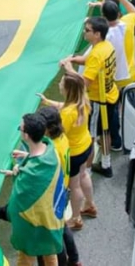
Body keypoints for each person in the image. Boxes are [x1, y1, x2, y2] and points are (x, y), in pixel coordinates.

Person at [4, 112, 65, 266]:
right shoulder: (52, 152)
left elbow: (18, 198)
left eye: (21, 129)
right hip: (50, 217)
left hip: (32, 222)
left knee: (26, 255)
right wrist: (26, 157)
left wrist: (17, 170)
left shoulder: (30, 172)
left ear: (26, 136)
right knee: (50, 253)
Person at [60, 17, 118, 178]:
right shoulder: (105, 46)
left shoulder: (97, 54)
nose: (84, 33)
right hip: (110, 95)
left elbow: (82, 83)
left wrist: (69, 68)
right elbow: (88, 61)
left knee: (90, 136)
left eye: (87, 31)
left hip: (99, 101)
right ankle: (106, 163)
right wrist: (73, 59)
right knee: (105, 132)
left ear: (97, 34)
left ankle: (86, 172)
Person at [38, 72, 95, 231]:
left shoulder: (67, 114)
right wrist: (49, 102)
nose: (59, 85)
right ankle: (90, 204)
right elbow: (66, 106)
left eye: (62, 84)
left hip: (75, 154)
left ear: (68, 90)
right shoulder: (83, 101)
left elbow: (58, 131)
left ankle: (75, 218)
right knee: (84, 175)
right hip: (86, 145)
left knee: (74, 186)